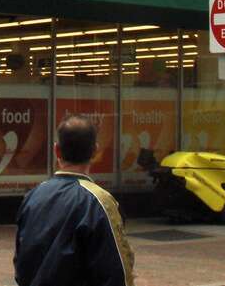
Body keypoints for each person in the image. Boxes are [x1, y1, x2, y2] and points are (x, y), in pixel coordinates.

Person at [14, 115, 135, 286]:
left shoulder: (33, 196)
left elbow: (21, 264)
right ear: (95, 151)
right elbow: (116, 271)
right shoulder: (100, 203)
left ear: (56, 150)